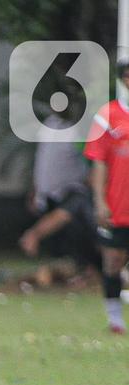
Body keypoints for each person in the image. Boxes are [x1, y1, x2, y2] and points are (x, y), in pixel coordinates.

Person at [19, 112, 100, 283]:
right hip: (52, 196)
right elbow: (42, 159)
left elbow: (94, 158)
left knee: (74, 215)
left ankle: (93, 269)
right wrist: (37, 188)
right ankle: (83, 269)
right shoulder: (50, 124)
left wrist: (34, 234)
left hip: (75, 192)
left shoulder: (80, 130)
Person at [85, 57, 129, 335]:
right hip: (118, 203)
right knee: (113, 260)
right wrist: (100, 201)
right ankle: (115, 319)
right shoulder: (107, 115)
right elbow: (98, 160)